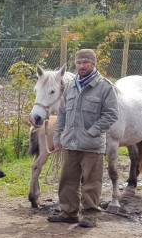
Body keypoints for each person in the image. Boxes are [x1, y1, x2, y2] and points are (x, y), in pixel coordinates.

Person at [48, 48, 118, 228]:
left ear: (93, 64)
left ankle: (90, 215)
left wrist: (93, 131)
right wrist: (58, 136)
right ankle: (68, 212)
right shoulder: (70, 86)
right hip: (70, 143)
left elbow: (111, 115)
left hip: (91, 144)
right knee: (67, 180)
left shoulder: (104, 87)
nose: (81, 66)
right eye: (78, 63)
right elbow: (62, 114)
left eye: (85, 62)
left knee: (91, 181)